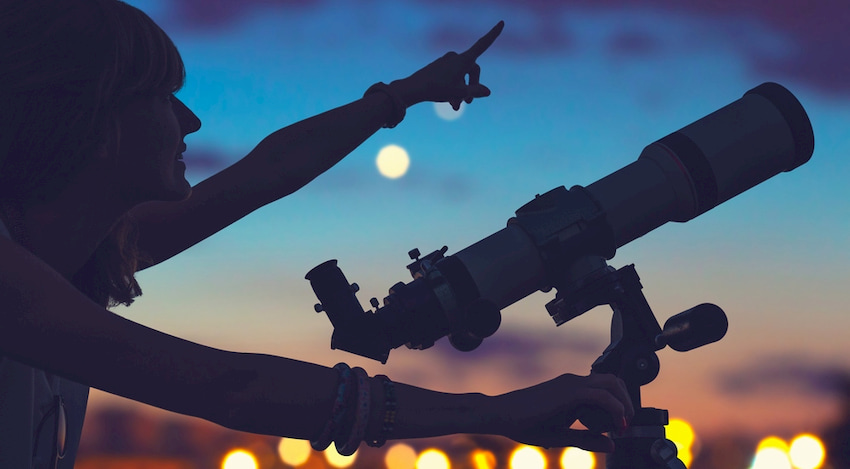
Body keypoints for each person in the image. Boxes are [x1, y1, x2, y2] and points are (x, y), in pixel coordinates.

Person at [0, 1, 634, 467]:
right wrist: (497, 412)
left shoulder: (80, 255)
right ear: (93, 115)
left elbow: (265, 172)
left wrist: (403, 96)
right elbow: (227, 387)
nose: (191, 120)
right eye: (166, 97)